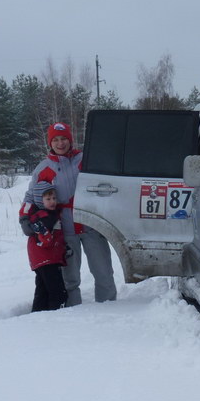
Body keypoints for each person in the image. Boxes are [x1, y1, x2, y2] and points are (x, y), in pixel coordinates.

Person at [19, 122, 117, 306]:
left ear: (70, 140)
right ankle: (72, 312)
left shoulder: (85, 159)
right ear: (50, 143)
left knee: (103, 272)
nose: (60, 143)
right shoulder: (43, 168)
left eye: (64, 139)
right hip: (65, 230)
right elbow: (31, 196)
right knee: (70, 279)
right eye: (55, 140)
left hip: (92, 225)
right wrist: (24, 218)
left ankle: (109, 308)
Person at [21, 181, 68, 311]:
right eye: (48, 199)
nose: (52, 201)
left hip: (40, 259)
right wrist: (45, 236)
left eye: (54, 198)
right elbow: (45, 239)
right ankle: (56, 312)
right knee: (57, 291)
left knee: (42, 290)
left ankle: (38, 313)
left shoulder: (46, 215)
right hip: (47, 258)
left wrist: (64, 248)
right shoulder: (44, 217)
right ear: (39, 201)